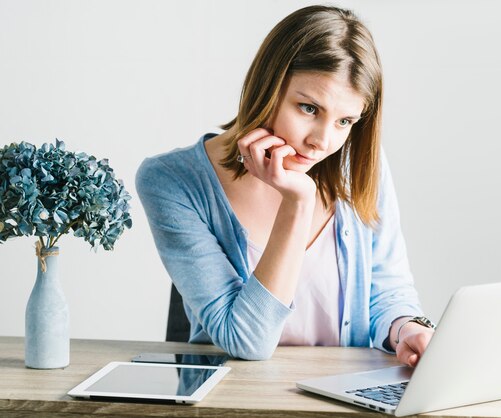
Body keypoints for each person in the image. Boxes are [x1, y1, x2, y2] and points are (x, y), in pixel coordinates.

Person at [136, 5, 434, 367]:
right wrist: (298, 202)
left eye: (345, 121)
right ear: (268, 86)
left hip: (342, 398)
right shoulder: (171, 181)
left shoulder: (358, 164)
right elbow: (246, 340)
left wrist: (408, 328)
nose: (322, 142)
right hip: (235, 401)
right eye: (309, 108)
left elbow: (387, 290)